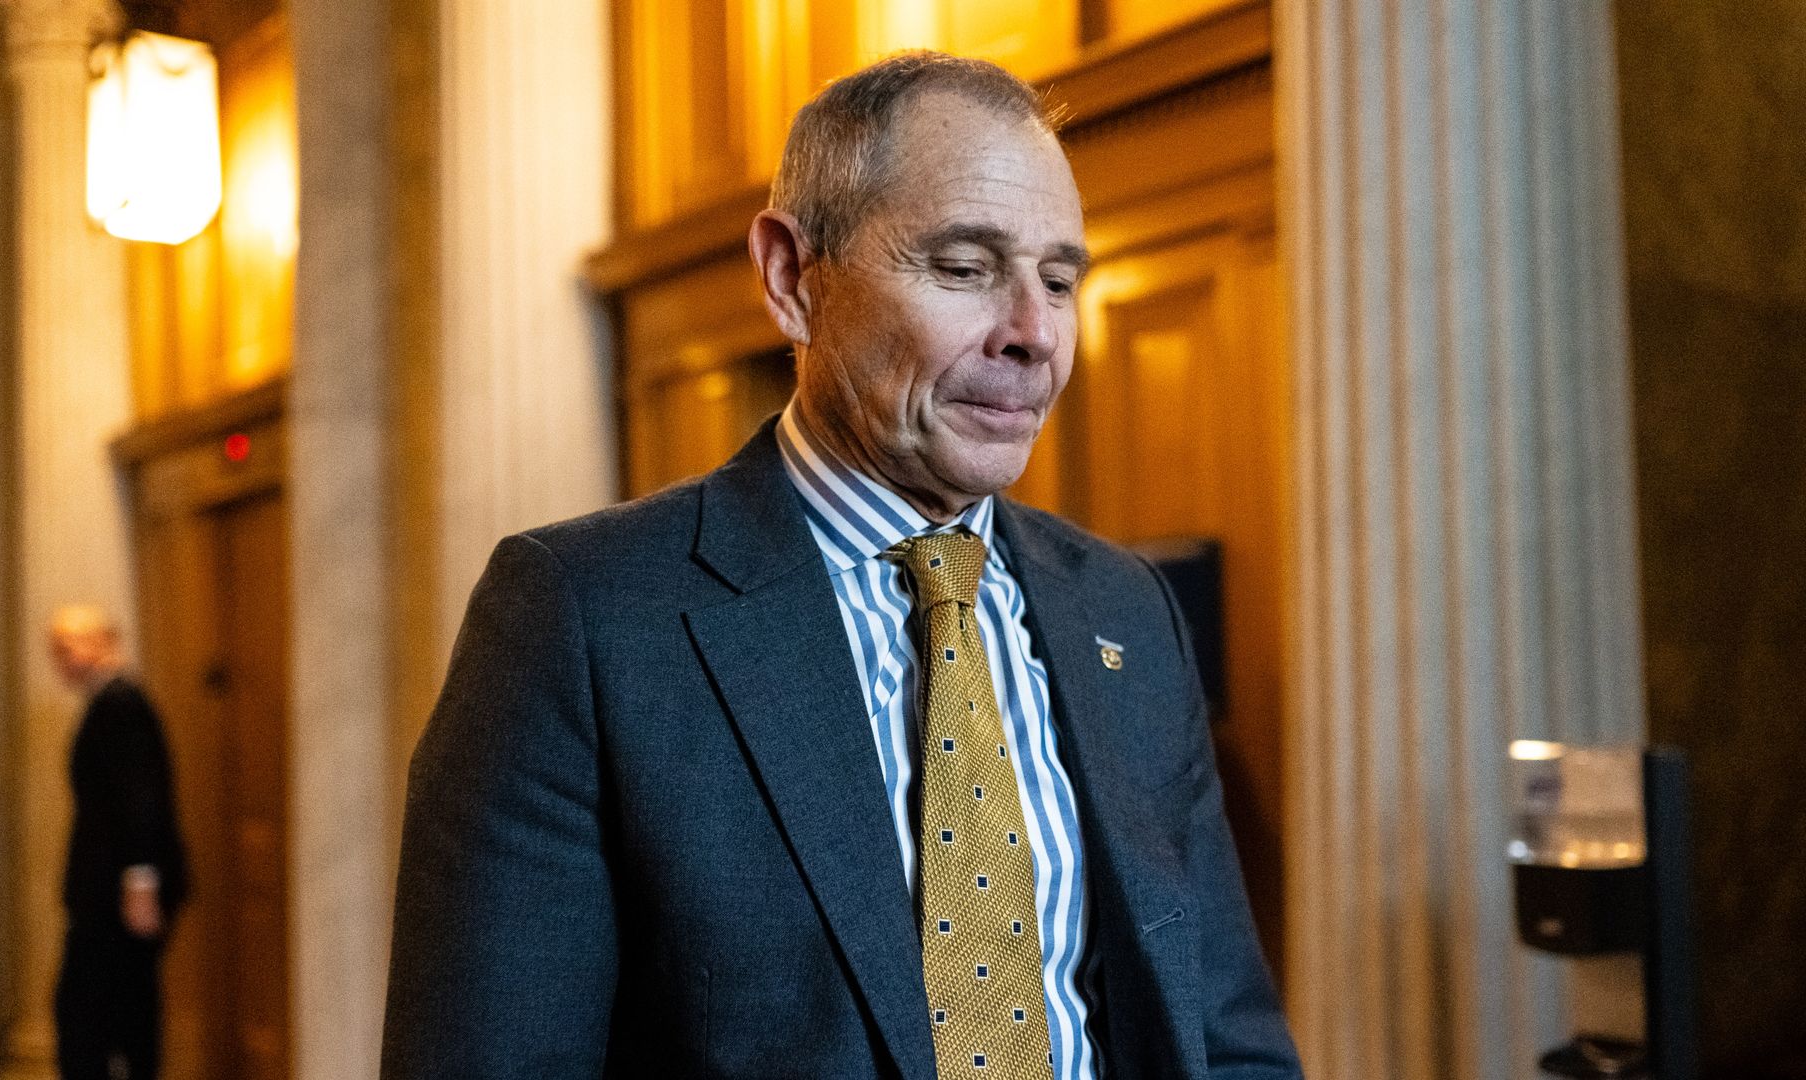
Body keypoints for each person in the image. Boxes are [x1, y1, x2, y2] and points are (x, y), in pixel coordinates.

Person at [383, 52, 1300, 1079]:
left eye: (1059, 279)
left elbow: (1224, 1035)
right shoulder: (582, 621)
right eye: (963, 269)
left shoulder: (1124, 609)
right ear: (792, 279)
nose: (1035, 334)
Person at [47, 605, 187, 1080]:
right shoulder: (108, 703)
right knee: (110, 1013)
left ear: (103, 642)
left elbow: (141, 796)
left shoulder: (122, 704)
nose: (59, 659)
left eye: (67, 647)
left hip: (118, 893)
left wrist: (141, 882)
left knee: (98, 1016)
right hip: (106, 889)